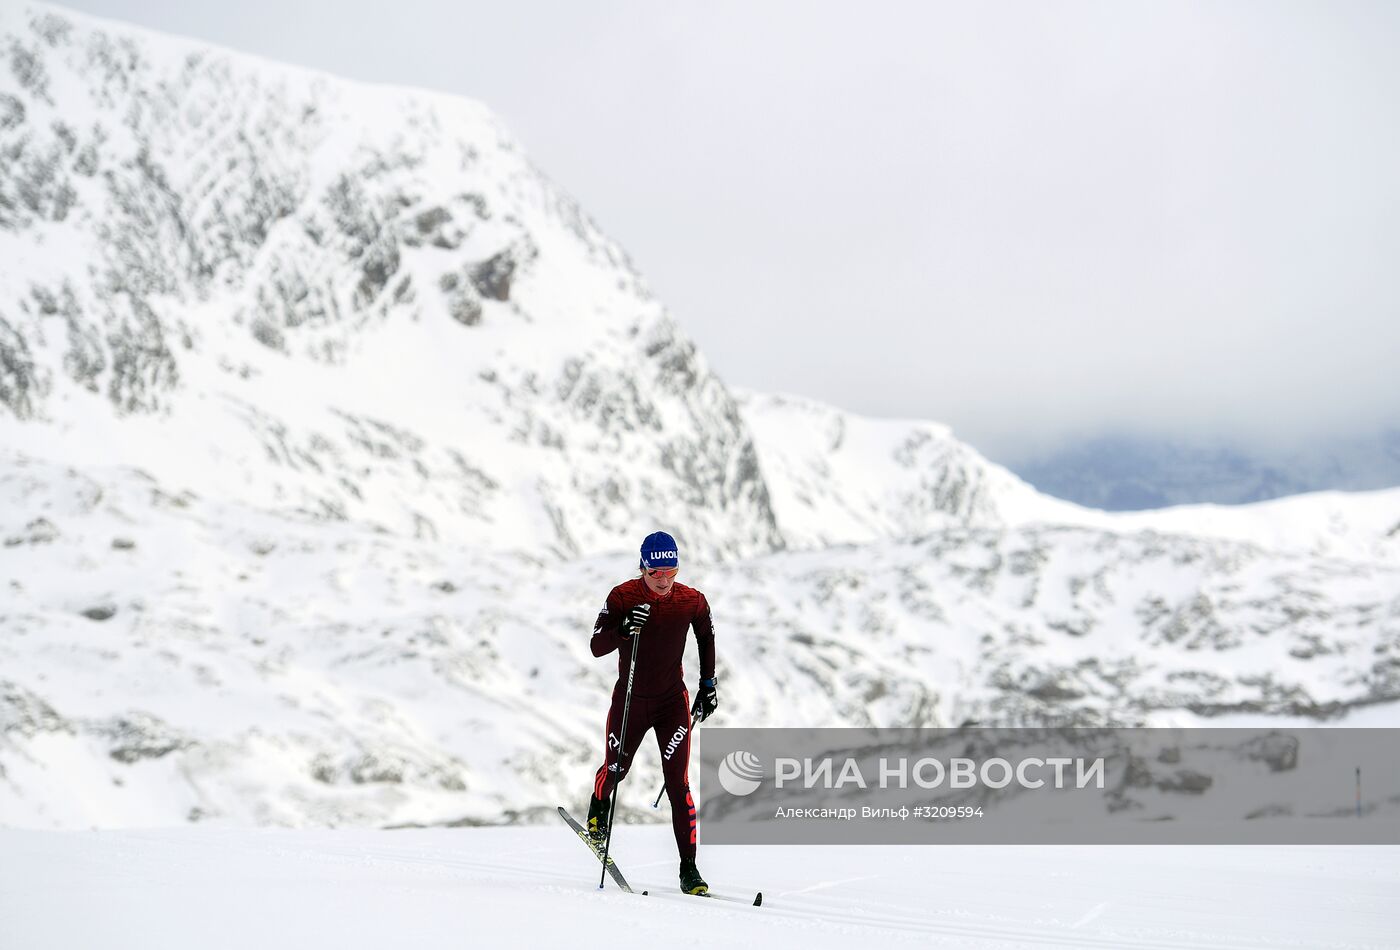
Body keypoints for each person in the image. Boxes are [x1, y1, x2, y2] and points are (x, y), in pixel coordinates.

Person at [585, 530, 719, 895]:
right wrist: (624, 630)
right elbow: (597, 646)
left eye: (670, 570)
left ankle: (689, 870)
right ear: (642, 567)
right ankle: (598, 806)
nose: (663, 579)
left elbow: (706, 637)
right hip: (631, 701)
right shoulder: (622, 596)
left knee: (679, 786)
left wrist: (708, 685)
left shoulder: (691, 601)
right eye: (655, 571)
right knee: (616, 770)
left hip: (671, 703)